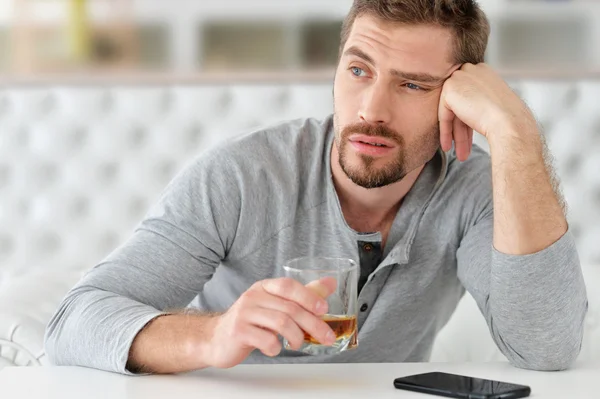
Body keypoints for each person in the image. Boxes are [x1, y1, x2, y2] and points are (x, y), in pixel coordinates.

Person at [45, 0, 588, 375]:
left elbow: (547, 348)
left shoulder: (474, 190)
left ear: (460, 97)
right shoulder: (243, 175)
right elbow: (76, 321)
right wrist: (212, 335)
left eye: (412, 84)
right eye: (358, 71)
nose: (372, 110)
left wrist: (516, 131)